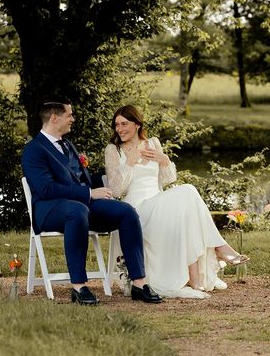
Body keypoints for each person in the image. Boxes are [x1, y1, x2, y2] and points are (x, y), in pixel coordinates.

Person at [21, 97, 162, 305]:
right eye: (69, 115)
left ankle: (139, 284)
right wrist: (88, 193)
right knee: (76, 210)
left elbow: (79, 178)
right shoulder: (34, 150)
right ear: (54, 118)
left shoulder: (67, 145)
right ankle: (79, 287)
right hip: (50, 210)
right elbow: (46, 189)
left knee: (126, 211)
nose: (73, 119)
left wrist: (108, 179)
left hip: (81, 207)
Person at [104, 105, 249, 299]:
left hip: (158, 202)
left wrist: (164, 160)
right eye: (117, 125)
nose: (119, 129)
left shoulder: (153, 143)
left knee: (187, 206)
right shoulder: (114, 150)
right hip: (136, 209)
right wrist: (129, 161)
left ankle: (196, 278)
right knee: (188, 190)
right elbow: (115, 189)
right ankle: (220, 248)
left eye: (124, 124)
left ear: (137, 124)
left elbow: (169, 180)